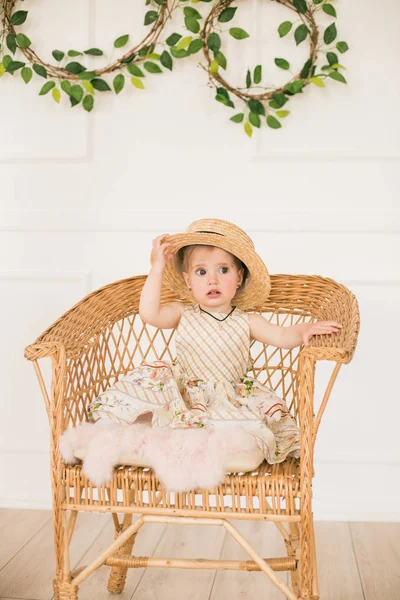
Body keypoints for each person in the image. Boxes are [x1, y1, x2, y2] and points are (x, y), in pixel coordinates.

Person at [88, 218, 342, 465]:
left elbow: (282, 336)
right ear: (188, 281)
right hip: (187, 391)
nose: (213, 280)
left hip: (228, 394)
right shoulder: (182, 313)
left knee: (235, 428)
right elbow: (149, 313)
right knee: (154, 394)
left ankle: (208, 445)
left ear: (239, 277)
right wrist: (157, 268)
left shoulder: (247, 321)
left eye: (223, 270)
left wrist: (304, 330)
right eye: (201, 271)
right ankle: (141, 436)